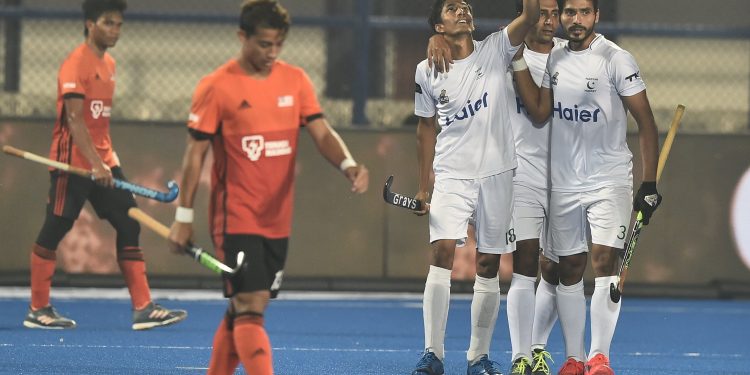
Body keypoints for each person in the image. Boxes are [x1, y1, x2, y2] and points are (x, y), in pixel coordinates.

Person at [167, 1, 369, 374]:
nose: (271, 53)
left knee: (242, 307)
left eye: (278, 44)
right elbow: (194, 155)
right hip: (236, 217)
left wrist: (348, 164)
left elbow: (321, 130)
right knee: (251, 305)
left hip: (277, 220)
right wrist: (183, 215)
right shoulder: (216, 86)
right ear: (242, 37)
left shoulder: (295, 80)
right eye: (263, 44)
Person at [511, 0, 662, 374]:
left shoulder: (616, 59)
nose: (574, 20)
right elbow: (518, 46)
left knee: (604, 260)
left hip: (608, 179)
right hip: (561, 182)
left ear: (596, 16)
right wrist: (441, 41)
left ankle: (598, 357)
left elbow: (646, 122)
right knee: (559, 268)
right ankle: (548, 353)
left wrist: (649, 182)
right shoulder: (554, 58)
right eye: (569, 13)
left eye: (583, 12)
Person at [23, 0, 187, 331]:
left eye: (119, 24)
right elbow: (75, 120)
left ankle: (143, 307)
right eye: (108, 23)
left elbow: (99, 126)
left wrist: (110, 162)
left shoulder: (109, 64)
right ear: (89, 24)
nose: (115, 30)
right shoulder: (74, 65)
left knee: (129, 224)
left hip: (102, 163)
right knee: (55, 229)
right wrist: (96, 164)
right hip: (72, 165)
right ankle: (38, 309)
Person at [427, 1, 563, 373]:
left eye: (465, 6)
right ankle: (432, 354)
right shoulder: (428, 69)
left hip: (500, 173)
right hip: (454, 173)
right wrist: (424, 186)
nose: (463, 10)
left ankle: (478, 358)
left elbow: (530, 16)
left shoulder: (497, 47)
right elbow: (425, 126)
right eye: (452, 8)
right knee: (440, 254)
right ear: (438, 27)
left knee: (488, 263)